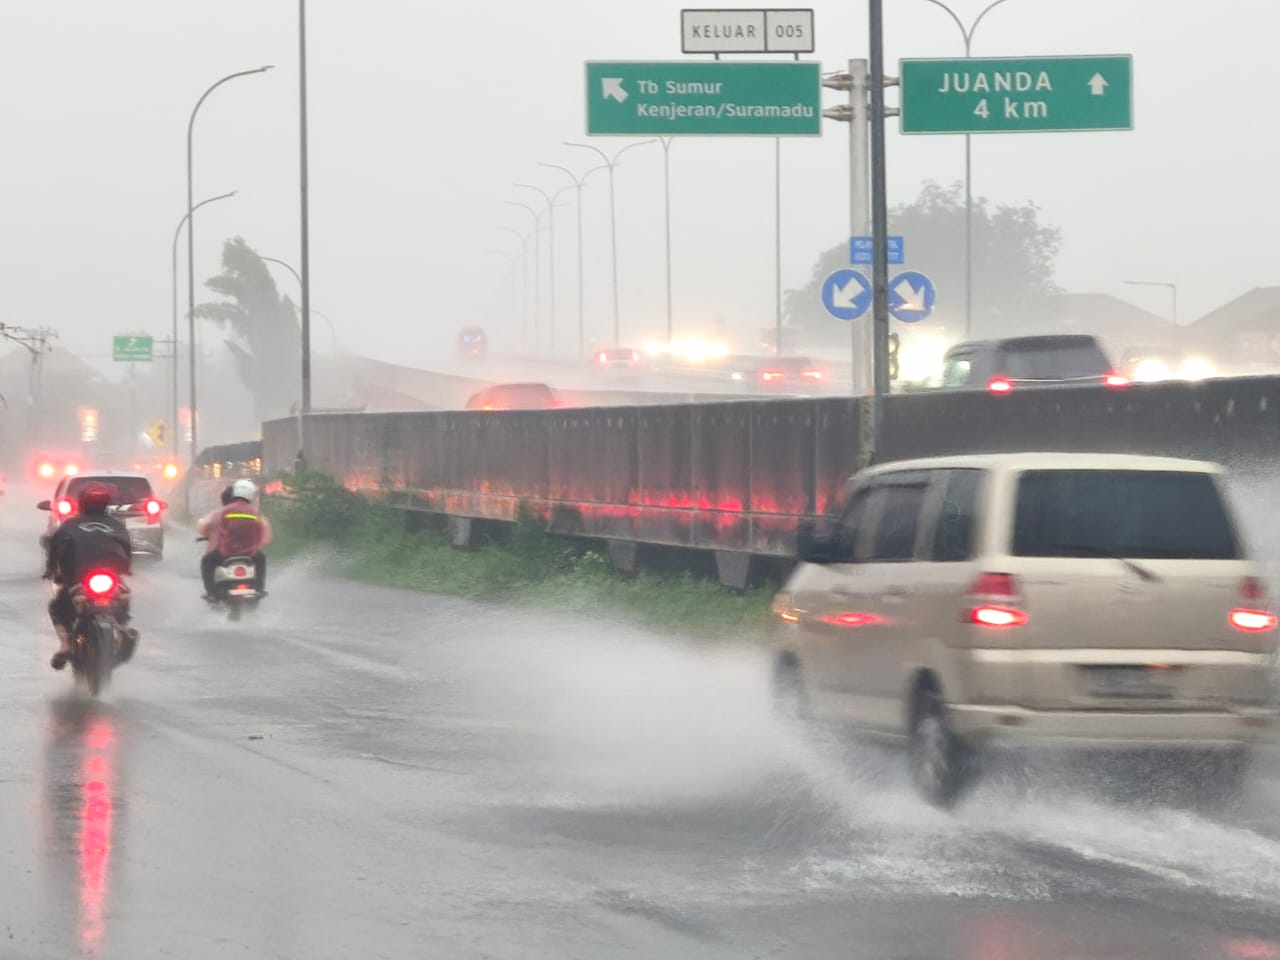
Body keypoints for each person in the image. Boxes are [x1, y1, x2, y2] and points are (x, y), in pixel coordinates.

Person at [44, 482, 134, 670]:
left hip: (79, 577)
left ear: (83, 503)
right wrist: (126, 569)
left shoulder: (69, 525)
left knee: (57, 605)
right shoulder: (117, 525)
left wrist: (51, 570)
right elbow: (127, 550)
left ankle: (65, 645)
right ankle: (124, 627)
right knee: (123, 594)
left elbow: (54, 549)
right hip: (109, 577)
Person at [196, 478, 272, 599]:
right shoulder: (255, 512)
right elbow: (261, 533)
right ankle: (259, 589)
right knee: (261, 559)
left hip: (227, 553)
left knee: (207, 561)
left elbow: (222, 530)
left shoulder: (225, 511)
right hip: (250, 554)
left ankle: (211, 593)